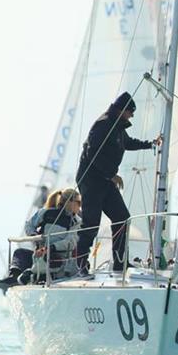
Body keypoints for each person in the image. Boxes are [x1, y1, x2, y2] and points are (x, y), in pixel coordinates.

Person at [75, 92, 161, 273]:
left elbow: (128, 143)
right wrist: (111, 175)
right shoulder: (103, 124)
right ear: (122, 110)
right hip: (91, 181)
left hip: (105, 181)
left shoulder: (118, 128)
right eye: (131, 111)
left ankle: (120, 263)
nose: (132, 115)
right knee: (91, 223)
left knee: (122, 217)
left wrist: (151, 144)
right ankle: (80, 264)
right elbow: (92, 153)